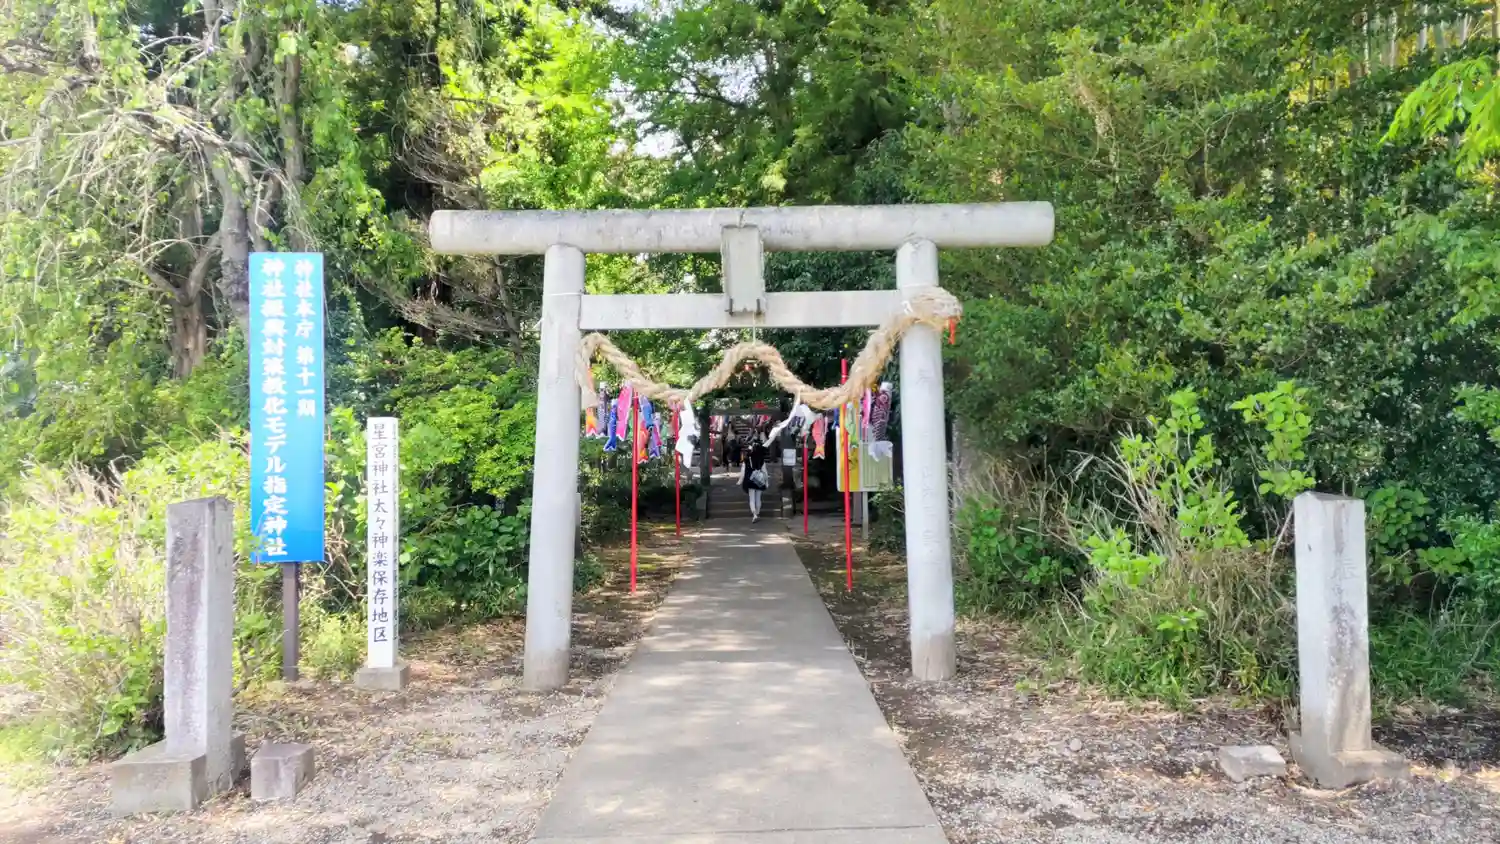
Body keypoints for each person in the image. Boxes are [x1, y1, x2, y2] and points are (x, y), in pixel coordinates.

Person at [739, 427, 770, 522]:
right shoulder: (761, 460)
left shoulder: (747, 459)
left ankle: (754, 514)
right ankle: (758, 512)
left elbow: (743, 471)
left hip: (750, 480)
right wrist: (766, 482)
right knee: (758, 498)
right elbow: (765, 472)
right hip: (759, 480)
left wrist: (740, 481)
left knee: (751, 498)